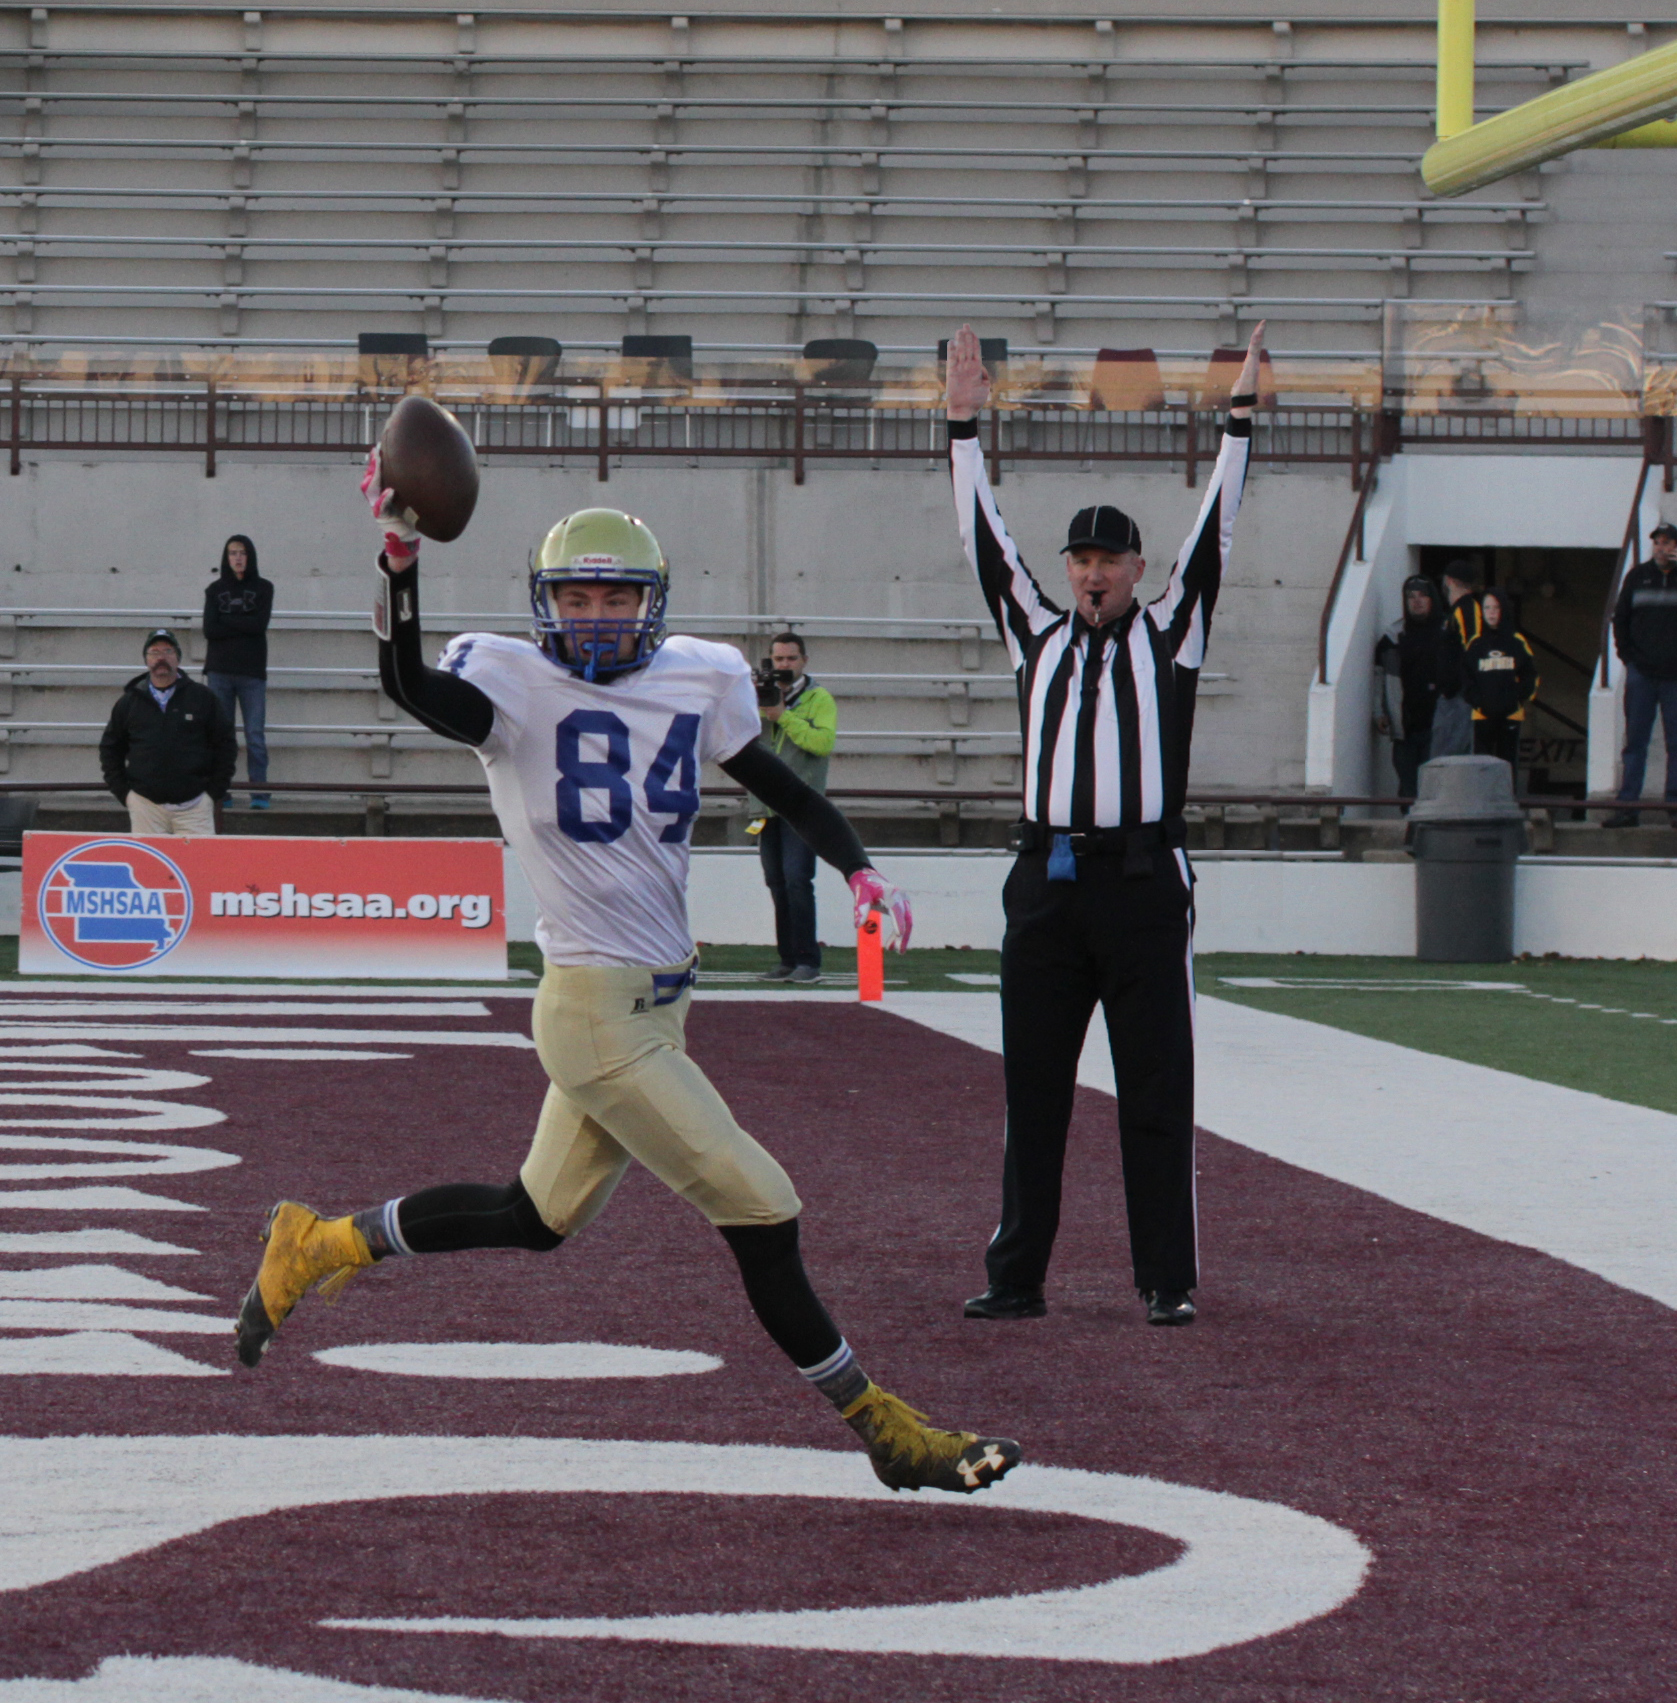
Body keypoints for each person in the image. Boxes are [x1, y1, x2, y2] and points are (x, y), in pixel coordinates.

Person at [234, 480, 1021, 1500]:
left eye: (616, 599)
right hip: (598, 1014)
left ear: (652, 603)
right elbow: (406, 682)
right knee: (764, 1207)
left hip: (659, 1005)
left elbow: (781, 785)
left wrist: (857, 866)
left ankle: (318, 1241)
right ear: (544, 604)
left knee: (535, 1215)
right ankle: (886, 1427)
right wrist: (398, 558)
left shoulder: (700, 675)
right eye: (578, 598)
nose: (596, 618)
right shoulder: (509, 682)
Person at [945, 320, 1262, 1330]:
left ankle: (1166, 1277)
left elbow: (1218, 524)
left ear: (1136, 567)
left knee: (1156, 1087)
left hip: (1139, 886)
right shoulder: (1032, 632)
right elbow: (981, 537)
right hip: (1046, 883)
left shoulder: (1173, 629)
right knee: (1032, 1094)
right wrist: (961, 425)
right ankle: (1017, 1273)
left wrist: (1242, 419)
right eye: (1080, 558)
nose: (1091, 574)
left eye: (1109, 560)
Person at [751, 632, 838, 984]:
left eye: (790, 659)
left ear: (804, 661)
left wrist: (783, 715)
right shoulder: (757, 697)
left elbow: (822, 743)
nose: (784, 666)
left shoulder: (819, 699)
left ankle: (807, 960)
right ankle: (787, 958)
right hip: (765, 804)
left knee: (798, 881)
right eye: (778, 660)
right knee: (776, 882)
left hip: (802, 804)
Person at [98, 627, 237, 837]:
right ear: (146, 660)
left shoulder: (203, 698)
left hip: (195, 808)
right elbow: (110, 749)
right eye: (154, 652)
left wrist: (213, 793)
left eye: (168, 651)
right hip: (146, 808)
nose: (161, 657)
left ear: (178, 658)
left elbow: (226, 745)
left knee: (198, 869)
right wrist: (126, 795)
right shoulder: (128, 703)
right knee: (149, 869)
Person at [1604, 521, 1677, 828]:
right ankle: (1627, 807)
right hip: (1642, 675)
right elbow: (1620, 620)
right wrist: (1627, 658)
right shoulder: (1637, 576)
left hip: (1675, 677)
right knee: (1635, 742)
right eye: (1657, 542)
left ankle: (1674, 807)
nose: (1662, 547)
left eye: (1668, 542)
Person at [203, 533, 274, 809]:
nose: (238, 558)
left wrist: (227, 621)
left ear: (250, 556)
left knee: (254, 735)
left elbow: (259, 625)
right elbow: (210, 629)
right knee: (222, 735)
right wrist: (243, 622)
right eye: (233, 553)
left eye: (242, 552)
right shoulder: (214, 590)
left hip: (252, 673)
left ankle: (259, 794)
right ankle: (223, 793)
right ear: (226, 557)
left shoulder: (264, 588)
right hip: (219, 671)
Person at [1375, 575, 1445, 802]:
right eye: (1411, 597)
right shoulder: (1393, 636)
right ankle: (1410, 836)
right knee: (1407, 790)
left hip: (1439, 727)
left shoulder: (1448, 633)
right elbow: (1379, 677)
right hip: (1405, 728)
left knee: (1435, 790)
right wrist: (1379, 711)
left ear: (1432, 599)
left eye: (1422, 595)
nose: (1417, 601)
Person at [1460, 589, 1538, 783]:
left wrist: (1516, 699)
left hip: (1510, 715)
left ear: (1504, 610)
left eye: (1496, 608)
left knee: (1507, 768)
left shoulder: (1517, 642)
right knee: (1480, 769)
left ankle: (1507, 808)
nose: (1492, 613)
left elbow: (1531, 676)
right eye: (1487, 608)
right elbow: (1465, 678)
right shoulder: (1475, 645)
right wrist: (1477, 702)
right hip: (1482, 716)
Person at [1428, 559, 1482, 759]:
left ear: (1449, 581)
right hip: (1454, 695)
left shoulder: (1465, 610)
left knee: (1449, 755)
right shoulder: (1459, 611)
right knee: (1446, 752)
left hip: (1459, 697)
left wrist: (1461, 689)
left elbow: (1473, 649)